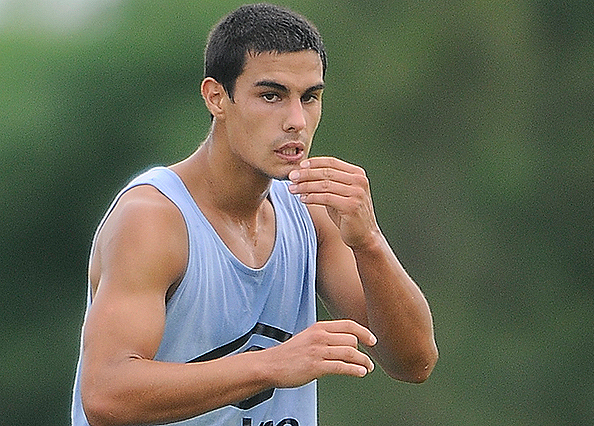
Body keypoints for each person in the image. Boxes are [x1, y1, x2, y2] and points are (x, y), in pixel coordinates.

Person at [71, 3, 438, 426]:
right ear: (216, 97)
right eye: (271, 96)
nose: (296, 121)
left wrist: (369, 242)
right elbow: (106, 395)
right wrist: (271, 365)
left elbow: (414, 362)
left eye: (310, 97)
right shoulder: (153, 218)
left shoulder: (311, 209)